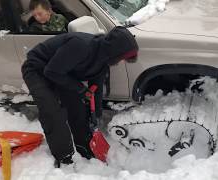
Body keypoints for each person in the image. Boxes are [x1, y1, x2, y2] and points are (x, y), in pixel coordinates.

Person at [21, 26, 139, 168]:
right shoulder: (81, 46)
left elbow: (96, 89)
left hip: (62, 72)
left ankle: (83, 145)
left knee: (77, 107)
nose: (121, 62)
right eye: (123, 58)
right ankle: (64, 157)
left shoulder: (103, 61)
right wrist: (81, 89)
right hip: (38, 69)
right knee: (52, 112)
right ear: (115, 51)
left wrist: (96, 115)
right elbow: (51, 72)